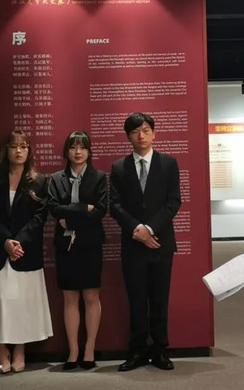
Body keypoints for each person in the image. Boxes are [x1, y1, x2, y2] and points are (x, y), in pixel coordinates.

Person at [110, 112, 181, 371]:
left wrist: (150, 229)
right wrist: (137, 230)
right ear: (128, 136)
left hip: (161, 242)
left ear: (154, 133)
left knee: (160, 298)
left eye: (146, 130)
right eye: (135, 131)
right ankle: (137, 350)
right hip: (132, 245)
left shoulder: (169, 163)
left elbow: (173, 202)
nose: (141, 136)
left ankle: (160, 349)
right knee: (137, 299)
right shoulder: (119, 167)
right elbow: (115, 205)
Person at [0, 131, 52, 373]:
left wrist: (18, 241)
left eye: (23, 146)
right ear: (6, 150)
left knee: (21, 303)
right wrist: (6, 241)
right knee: (0, 301)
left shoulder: (39, 181)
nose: (19, 151)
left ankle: (20, 350)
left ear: (29, 151)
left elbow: (39, 216)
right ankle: (1, 350)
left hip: (25, 250)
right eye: (14, 146)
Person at [47, 131, 107, 370]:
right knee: (69, 297)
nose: (78, 152)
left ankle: (90, 348)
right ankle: (73, 351)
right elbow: (54, 209)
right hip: (66, 246)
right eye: (73, 147)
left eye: (82, 147)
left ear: (89, 151)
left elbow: (100, 210)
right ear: (67, 151)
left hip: (90, 244)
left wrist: (70, 214)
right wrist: (84, 209)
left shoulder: (99, 177)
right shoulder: (55, 178)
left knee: (91, 296)